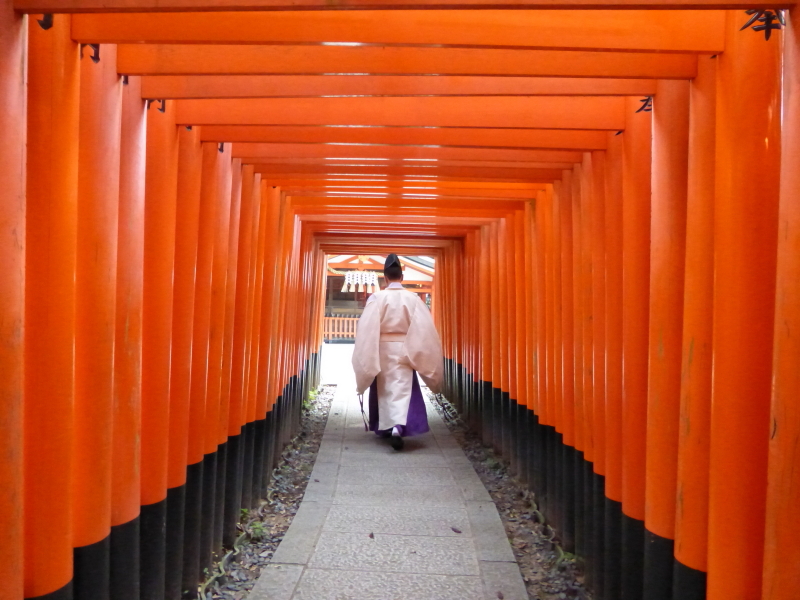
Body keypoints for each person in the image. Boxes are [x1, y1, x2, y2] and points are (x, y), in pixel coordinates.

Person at [352, 254, 444, 450]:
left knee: (385, 388)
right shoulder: (413, 299)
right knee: (403, 387)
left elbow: (367, 329)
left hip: (382, 349)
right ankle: (398, 427)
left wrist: (367, 354)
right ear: (401, 277)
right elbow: (424, 329)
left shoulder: (377, 298)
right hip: (407, 347)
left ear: (385, 278)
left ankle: (389, 427)